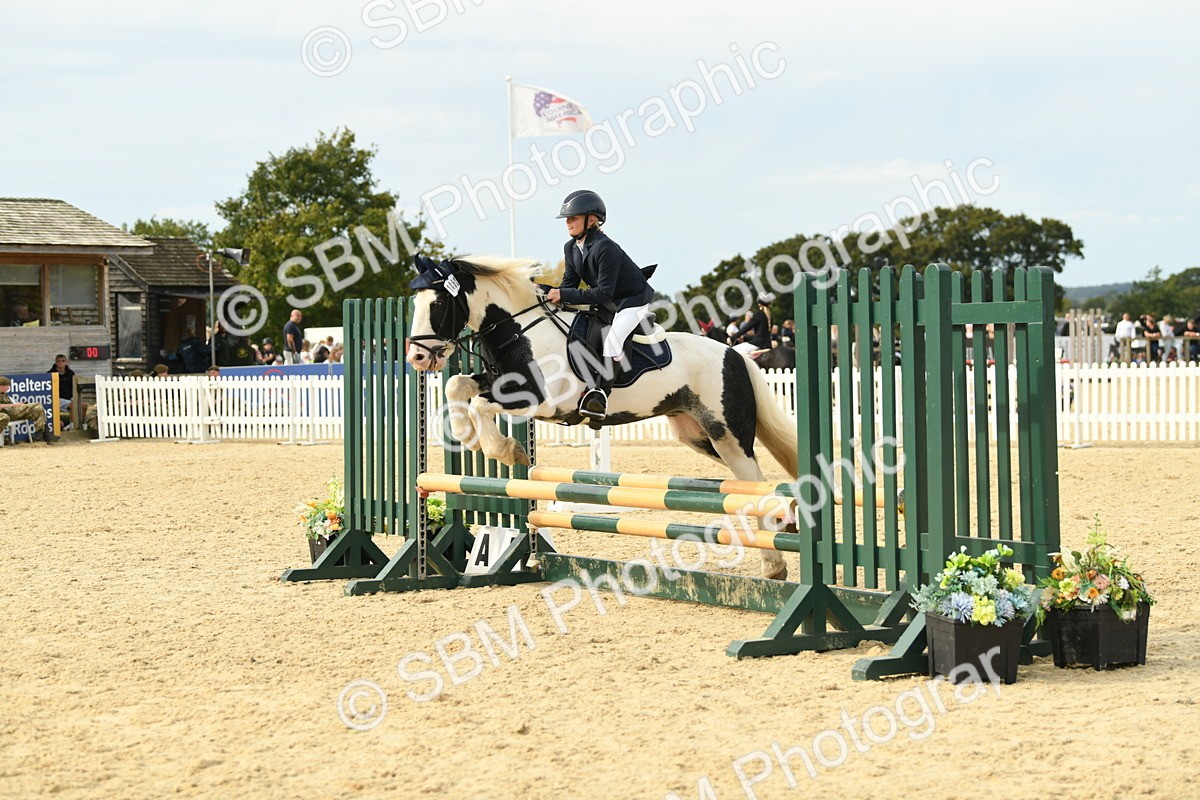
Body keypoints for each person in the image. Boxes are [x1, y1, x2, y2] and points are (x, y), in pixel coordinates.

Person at [545, 190, 654, 420]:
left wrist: (563, 293)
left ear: (591, 219)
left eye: (573, 218)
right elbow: (569, 285)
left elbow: (603, 293)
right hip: (609, 302)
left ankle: (599, 395)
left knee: (614, 340)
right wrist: (548, 293)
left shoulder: (605, 247)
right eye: (567, 219)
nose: (568, 223)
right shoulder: (571, 248)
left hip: (631, 301)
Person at [0, 376, 57, 444]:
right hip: (7, 413)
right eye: (7, 385)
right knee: (38, 405)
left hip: (13, 412)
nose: (9, 387)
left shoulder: (4, 394)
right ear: (1, 386)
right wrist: (13, 405)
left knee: (38, 409)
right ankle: (44, 435)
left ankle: (41, 435)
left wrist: (19, 404)